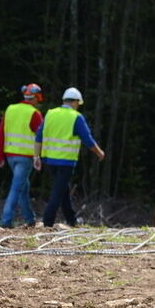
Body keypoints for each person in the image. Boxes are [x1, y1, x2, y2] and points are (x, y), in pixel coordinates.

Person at [33, 87, 105, 227]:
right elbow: (88, 140)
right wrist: (99, 152)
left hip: (49, 160)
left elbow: (39, 136)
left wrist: (36, 157)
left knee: (62, 189)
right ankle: (48, 222)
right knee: (57, 191)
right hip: (66, 161)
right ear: (76, 102)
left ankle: (71, 220)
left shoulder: (50, 114)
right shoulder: (76, 117)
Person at [0, 83, 45, 227]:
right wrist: (39, 156)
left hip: (10, 156)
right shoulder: (34, 114)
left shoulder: (10, 109)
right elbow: (42, 137)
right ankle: (6, 220)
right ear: (35, 98)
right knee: (17, 187)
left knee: (23, 187)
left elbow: (0, 133)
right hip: (25, 157)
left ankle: (30, 219)